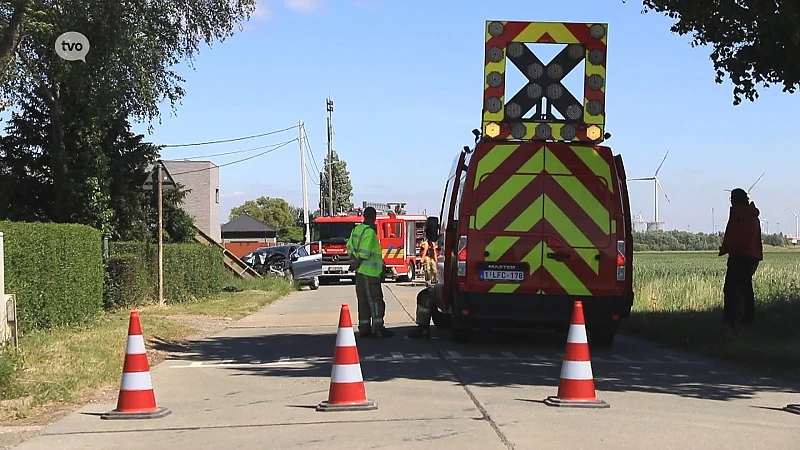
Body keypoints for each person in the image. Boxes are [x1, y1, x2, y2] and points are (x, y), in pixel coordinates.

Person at [718, 188, 763, 330]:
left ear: (736, 199)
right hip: (749, 255)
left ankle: (733, 320)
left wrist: (729, 248)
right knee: (743, 289)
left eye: (732, 197)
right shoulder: (750, 214)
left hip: (740, 256)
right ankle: (743, 319)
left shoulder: (741, 215)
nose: (730, 200)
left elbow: (738, 236)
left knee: (733, 289)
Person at [346, 207, 394, 338]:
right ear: (374, 218)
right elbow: (365, 253)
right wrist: (358, 262)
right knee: (376, 300)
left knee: (363, 302)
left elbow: (349, 247)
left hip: (360, 273)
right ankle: (378, 328)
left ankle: (364, 328)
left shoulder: (356, 230)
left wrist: (354, 263)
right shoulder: (370, 232)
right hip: (370, 273)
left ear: (363, 216)